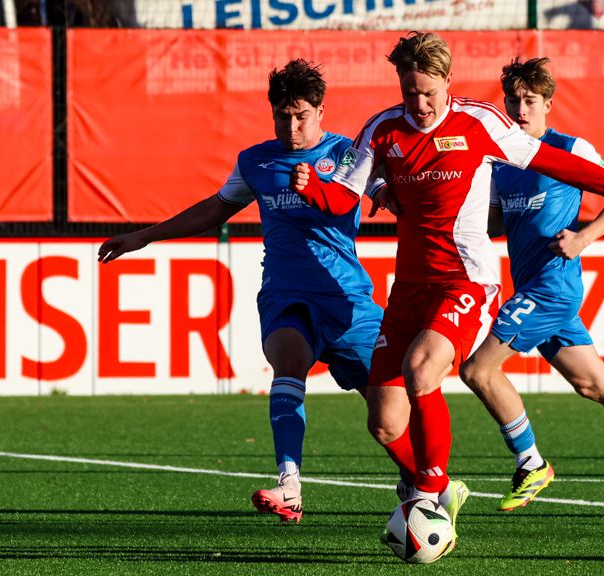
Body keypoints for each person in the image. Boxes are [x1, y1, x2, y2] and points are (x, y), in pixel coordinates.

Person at [289, 31, 604, 547]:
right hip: (409, 288)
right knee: (384, 423)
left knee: (424, 369)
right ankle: (449, 488)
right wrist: (313, 189)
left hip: (466, 280)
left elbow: (557, 163)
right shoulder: (382, 129)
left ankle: (431, 491)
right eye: (410, 92)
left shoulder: (480, 122)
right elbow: (344, 195)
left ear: (448, 81)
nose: (421, 103)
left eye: (429, 91)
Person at [98, 59, 387, 524]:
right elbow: (214, 210)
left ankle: (426, 485)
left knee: (388, 412)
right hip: (284, 291)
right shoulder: (256, 161)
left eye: (301, 116)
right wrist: (144, 235)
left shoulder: (351, 155)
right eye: (281, 115)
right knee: (287, 361)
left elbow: (378, 195)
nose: (291, 127)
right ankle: (289, 484)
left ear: (321, 112)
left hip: (346, 298)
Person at [459, 57, 604, 524]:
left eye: (530, 100)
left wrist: (584, 237)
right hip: (533, 284)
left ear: (548, 104)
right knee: (595, 384)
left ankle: (532, 464)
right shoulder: (503, 161)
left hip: (553, 287)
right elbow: (491, 220)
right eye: (513, 100)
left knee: (478, 370)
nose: (521, 108)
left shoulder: (568, 148)